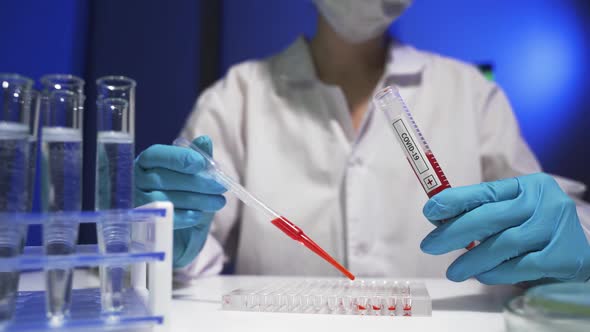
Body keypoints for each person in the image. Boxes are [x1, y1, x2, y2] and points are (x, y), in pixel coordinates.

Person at [134, 0, 590, 284]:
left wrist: (575, 238)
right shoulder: (237, 96)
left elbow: (548, 221)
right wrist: (163, 236)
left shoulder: (469, 92)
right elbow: (184, 257)